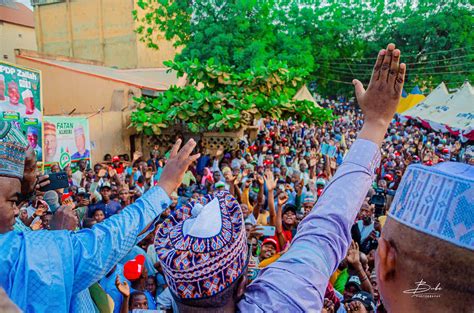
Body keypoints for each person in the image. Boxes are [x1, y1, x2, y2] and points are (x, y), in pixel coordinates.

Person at [154, 43, 408, 311]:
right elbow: (327, 224)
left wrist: (161, 188)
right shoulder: (284, 299)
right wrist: (376, 122)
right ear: (244, 285)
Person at [0, 136, 200, 311]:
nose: (17, 210)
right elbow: (103, 242)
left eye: (19, 202)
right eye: (12, 200)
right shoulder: (21, 254)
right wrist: (164, 188)